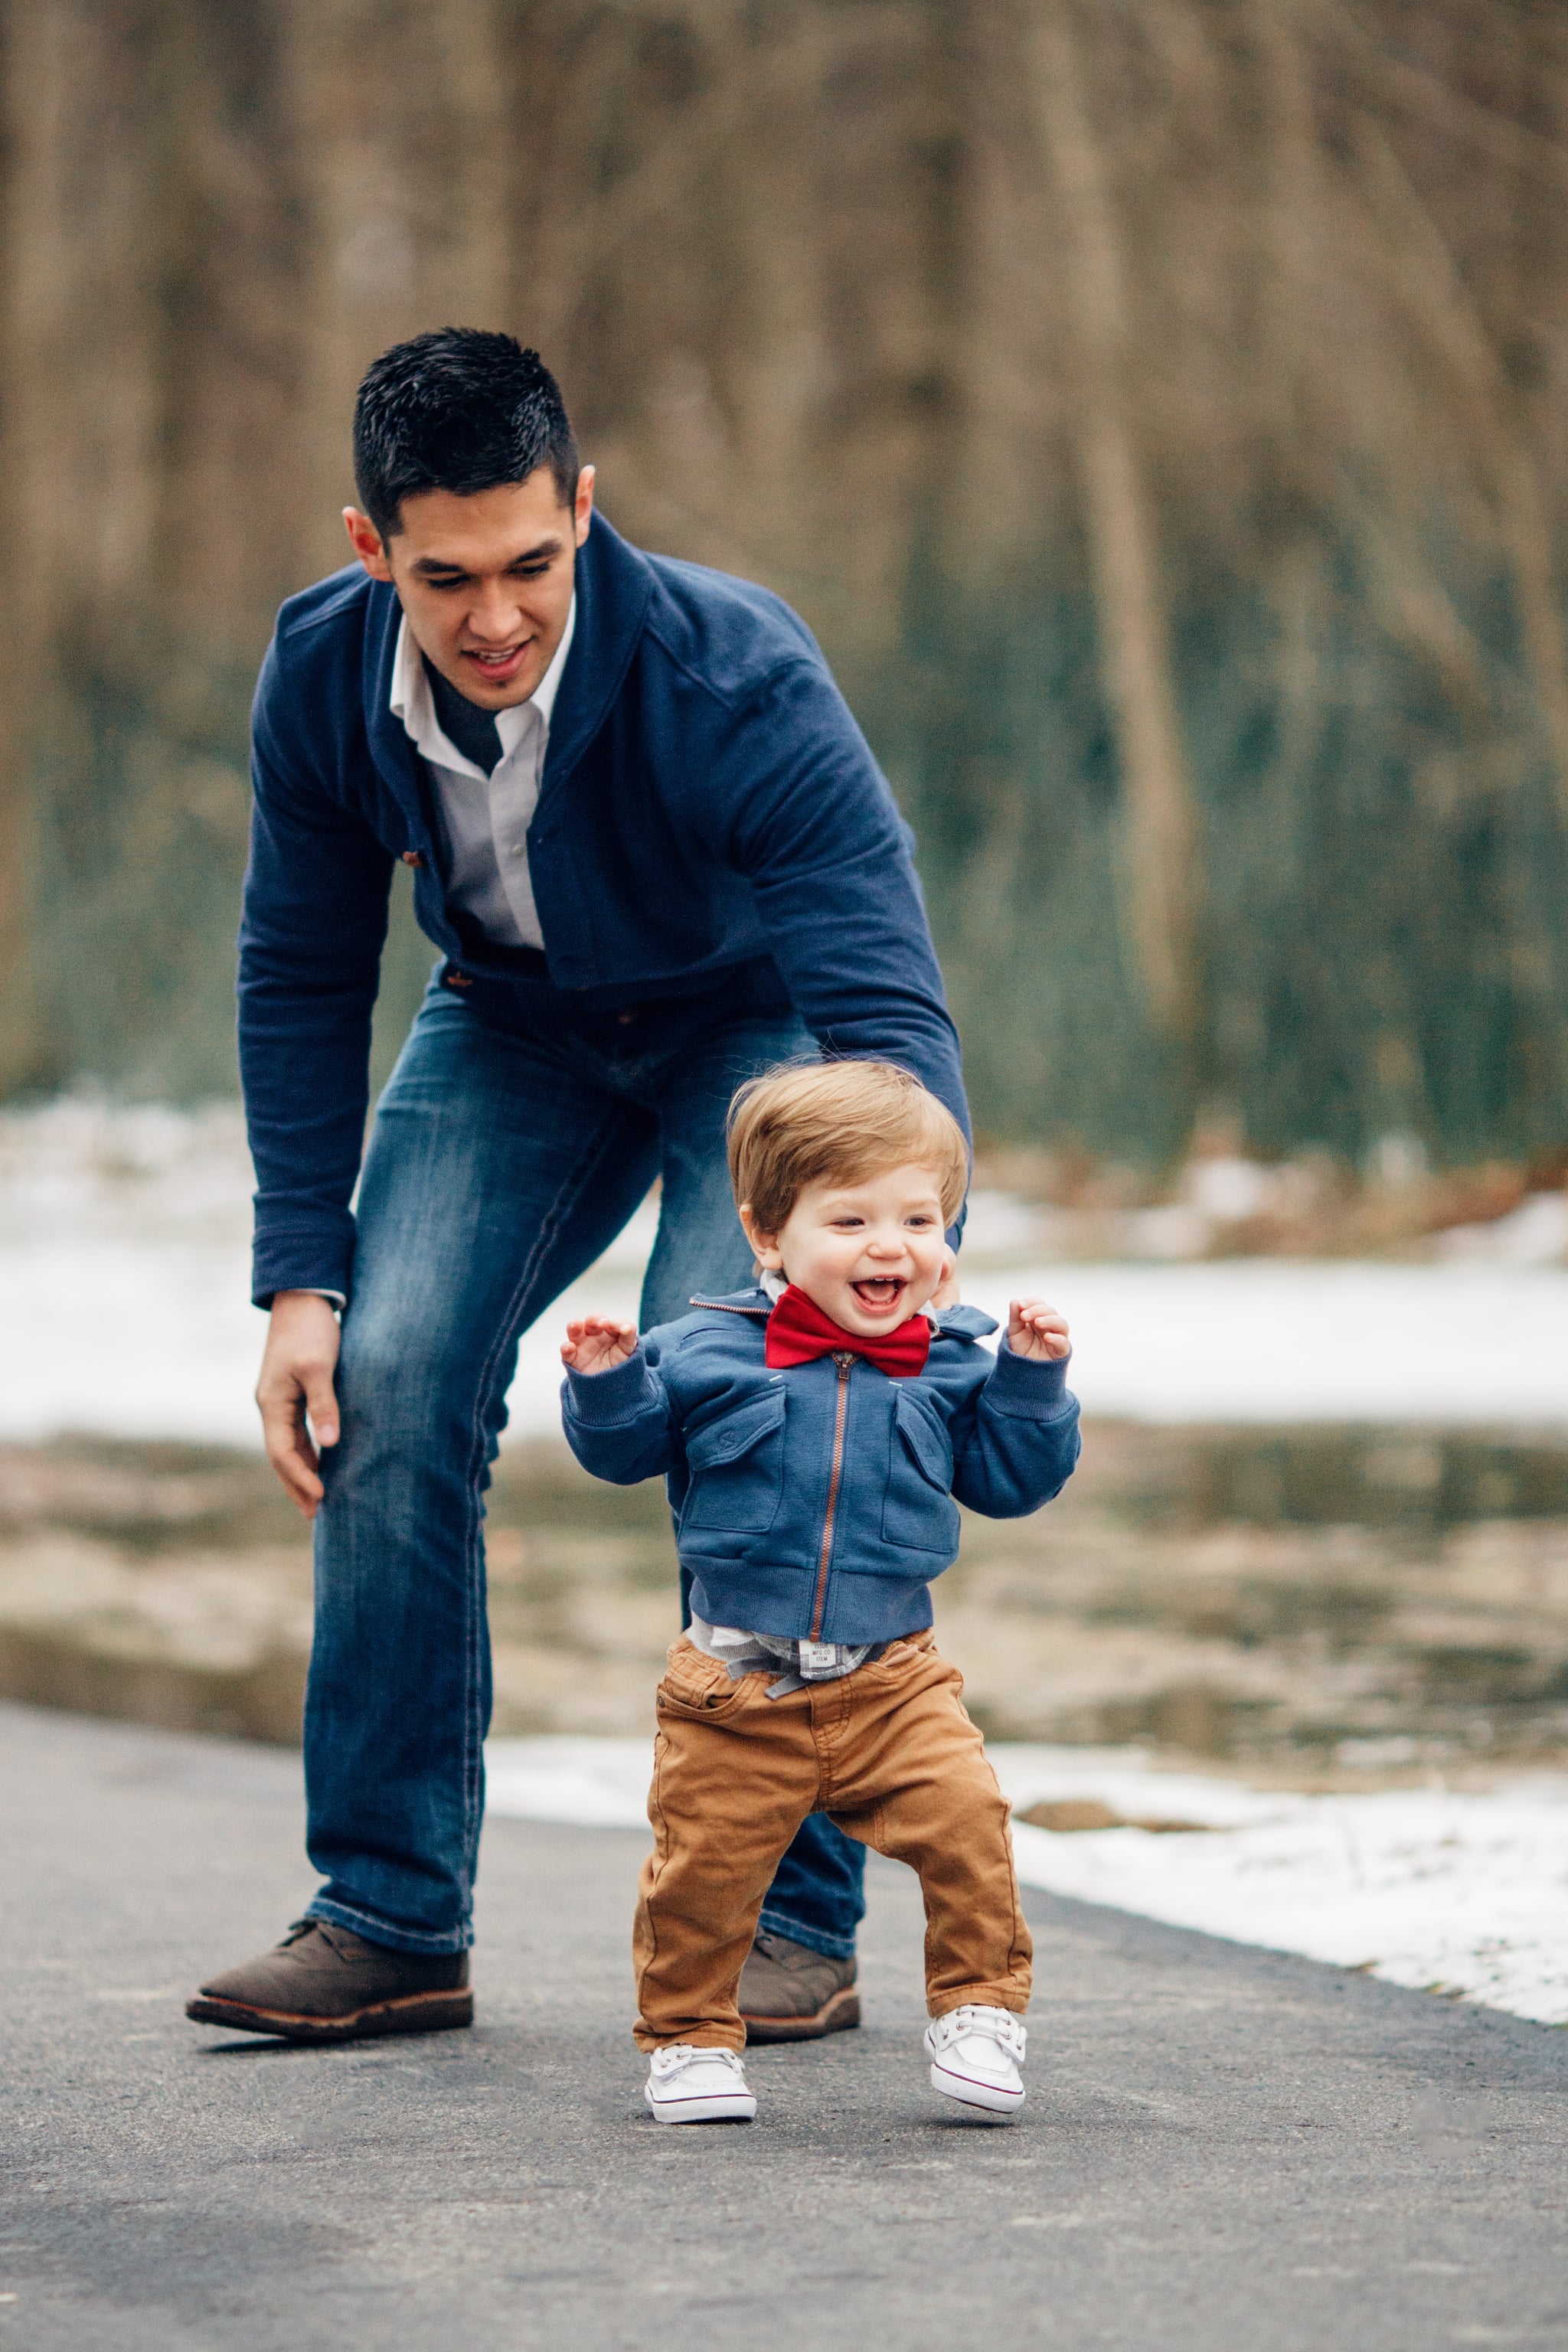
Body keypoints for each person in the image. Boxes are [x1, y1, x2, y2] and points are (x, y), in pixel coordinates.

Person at [185, 329, 972, 2045]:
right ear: (367, 545)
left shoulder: (731, 672)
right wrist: (298, 1279)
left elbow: (882, 1000)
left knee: (755, 1384)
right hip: (514, 1025)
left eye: (533, 565)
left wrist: (893, 1251)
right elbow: (299, 973)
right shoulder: (321, 674)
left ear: (585, 511)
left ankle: (791, 1921)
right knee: (379, 1389)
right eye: (443, 575)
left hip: (749, 1026)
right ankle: (391, 1915)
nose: (493, 619)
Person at [559, 1060, 1080, 2122]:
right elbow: (624, 1455)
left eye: (920, 1218)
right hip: (735, 1693)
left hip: (895, 1682)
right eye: (849, 1219)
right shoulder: (702, 1351)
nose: (889, 1245)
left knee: (969, 1823)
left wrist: (1030, 1380)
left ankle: (979, 2012)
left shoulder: (952, 1367)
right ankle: (691, 2041)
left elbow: (1012, 1485)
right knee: (700, 1879)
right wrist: (609, 1384)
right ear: (767, 1236)